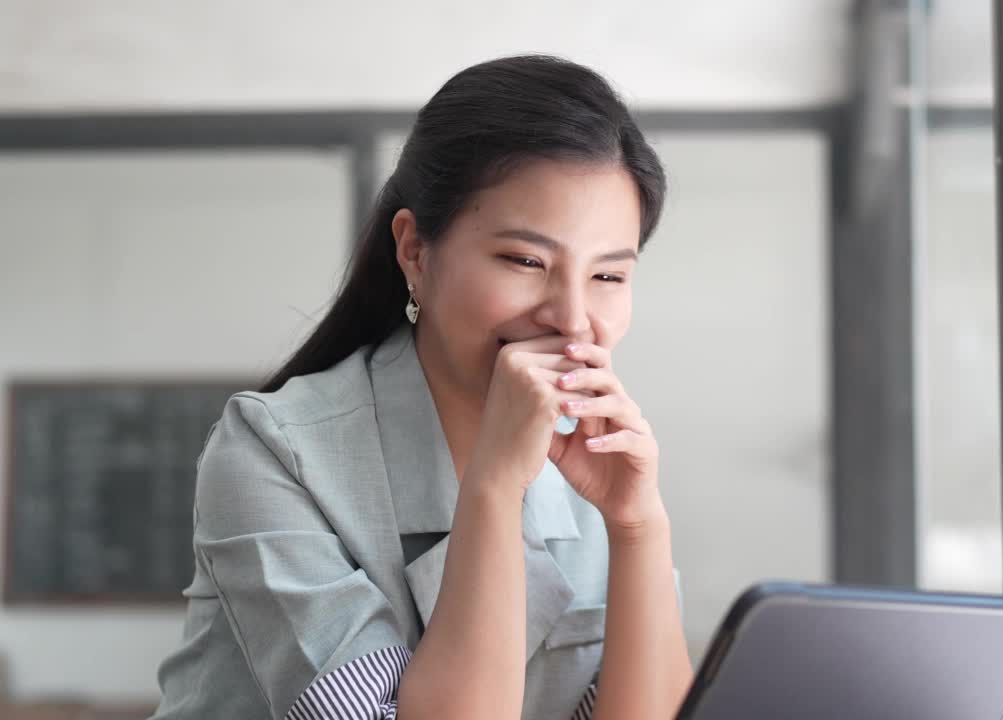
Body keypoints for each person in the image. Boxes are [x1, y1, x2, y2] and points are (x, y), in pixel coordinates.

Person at [151, 55, 692, 720]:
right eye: (525, 261)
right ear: (414, 250)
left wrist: (638, 526)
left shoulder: (595, 471)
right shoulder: (272, 450)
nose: (572, 318)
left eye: (608, 276)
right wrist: (493, 486)